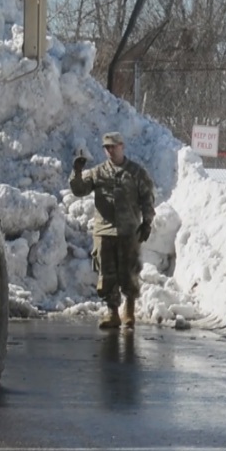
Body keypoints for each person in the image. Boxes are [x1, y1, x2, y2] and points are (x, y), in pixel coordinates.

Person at [69, 132, 156, 330]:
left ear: (122, 146)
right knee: (106, 273)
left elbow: (147, 198)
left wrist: (147, 222)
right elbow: (79, 190)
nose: (110, 150)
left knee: (129, 271)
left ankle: (130, 310)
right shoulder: (98, 172)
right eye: (106, 147)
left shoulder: (136, 172)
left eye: (113, 146)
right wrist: (77, 171)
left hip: (128, 230)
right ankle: (112, 312)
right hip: (104, 231)